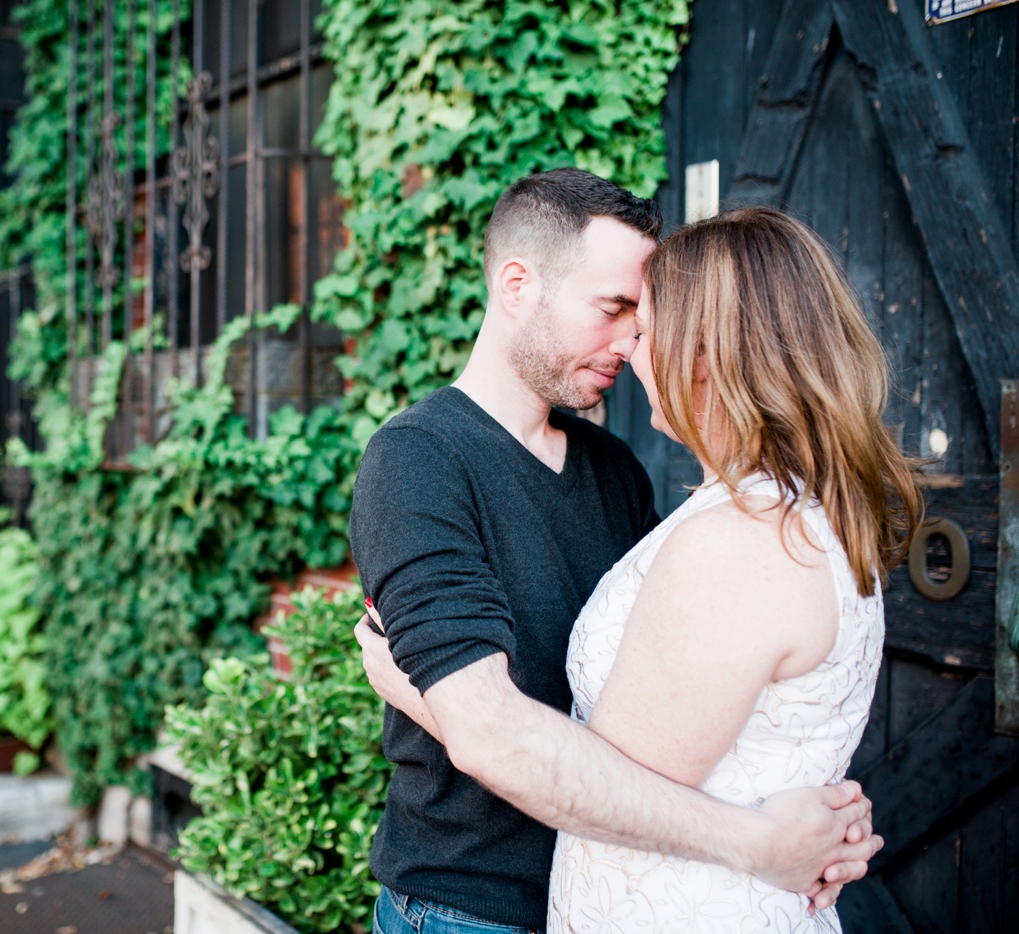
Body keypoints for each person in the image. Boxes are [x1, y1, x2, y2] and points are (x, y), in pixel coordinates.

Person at [348, 171, 884, 934]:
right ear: (517, 285)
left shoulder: (617, 468)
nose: (632, 340)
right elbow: (488, 730)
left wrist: (792, 788)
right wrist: (761, 838)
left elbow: (685, 692)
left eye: (642, 315)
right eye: (613, 309)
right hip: (472, 907)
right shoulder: (419, 461)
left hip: (638, 893)